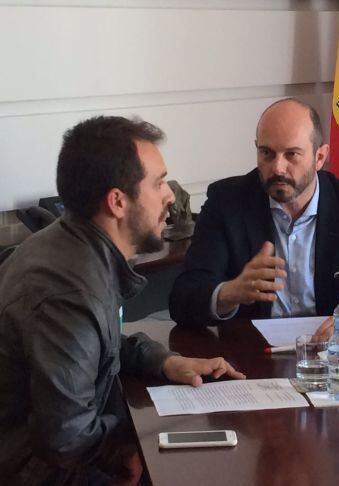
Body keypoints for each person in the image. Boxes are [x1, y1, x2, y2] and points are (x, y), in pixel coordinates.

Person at [0, 116, 246, 485]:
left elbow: (95, 345)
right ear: (117, 201)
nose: (169, 195)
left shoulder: (71, 246)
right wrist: (130, 443)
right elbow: (67, 441)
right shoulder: (70, 292)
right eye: (159, 183)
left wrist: (166, 362)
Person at [169, 98, 339, 340]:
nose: (278, 168)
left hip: (334, 356)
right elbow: (182, 298)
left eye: (292, 154)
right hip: (252, 358)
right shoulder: (227, 202)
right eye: (267, 153)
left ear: (319, 157)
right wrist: (230, 293)